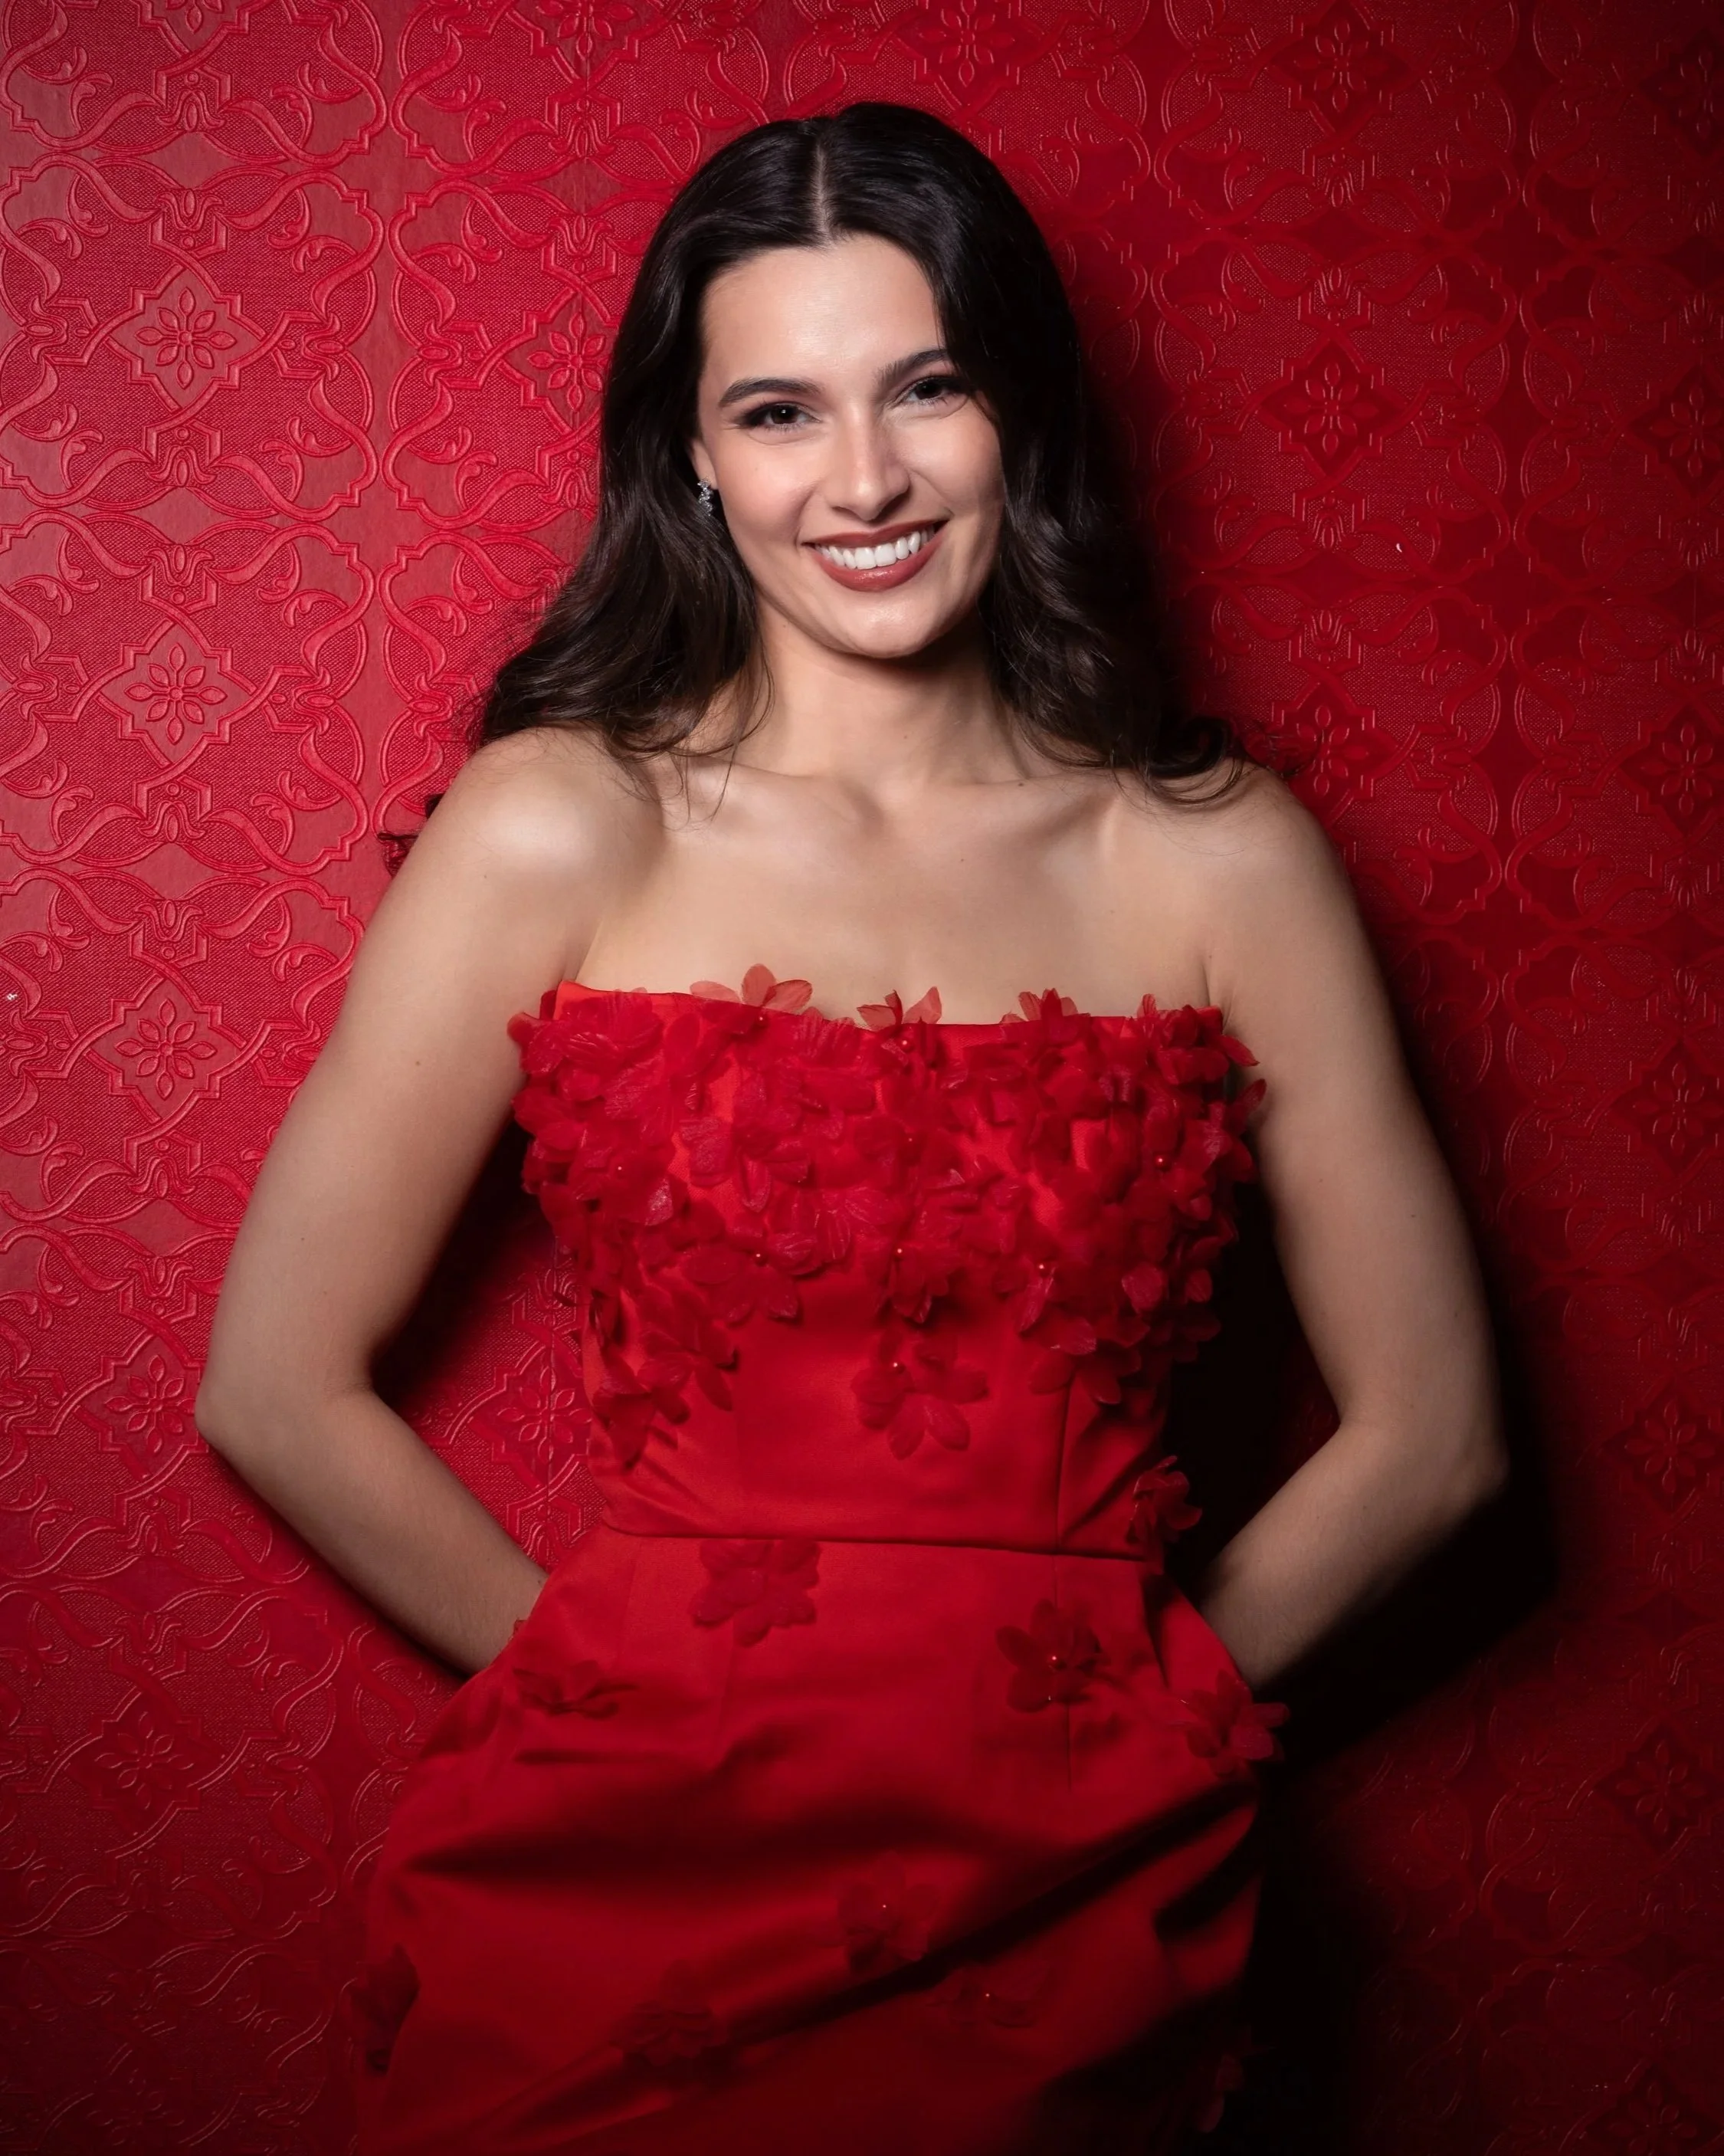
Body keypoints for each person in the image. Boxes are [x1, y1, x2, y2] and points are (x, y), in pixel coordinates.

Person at [195, 102, 1507, 2155]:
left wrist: (1135, 1706)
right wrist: (609, 1690)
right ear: (694, 458)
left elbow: (1438, 1436)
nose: (866, 477)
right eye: (781, 409)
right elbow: (274, 1383)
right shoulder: (559, 821)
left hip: (1076, 1902)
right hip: (621, 1886)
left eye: (928, 388)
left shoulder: (1218, 859)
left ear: (1022, 415)